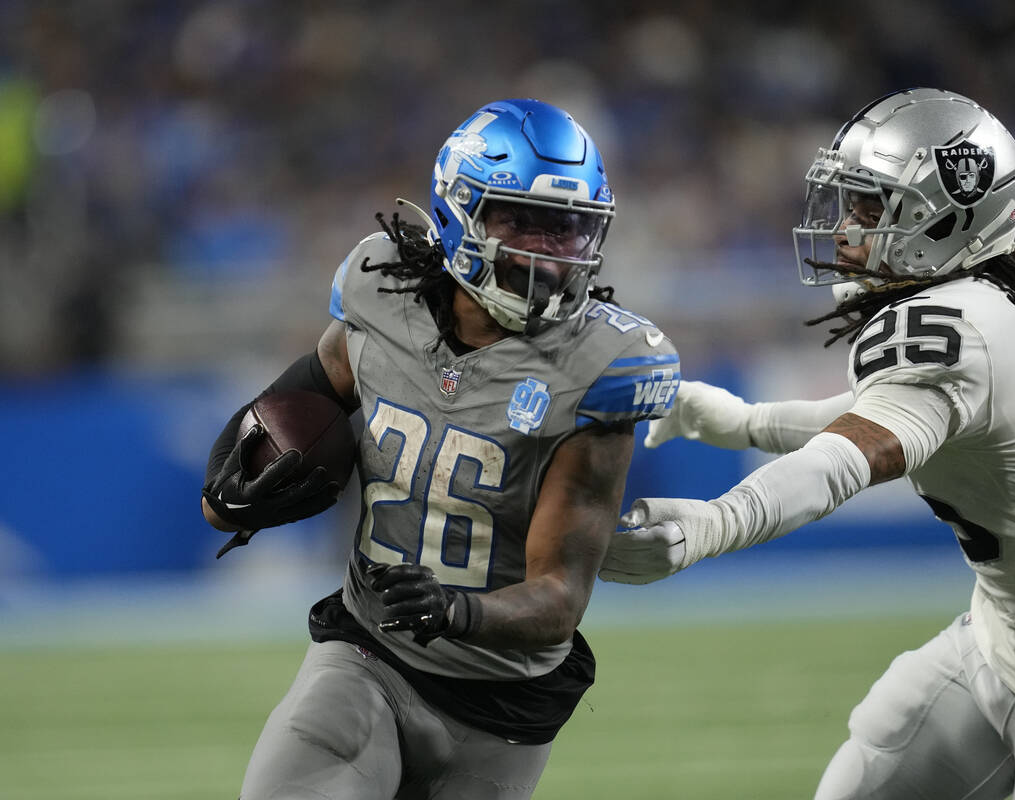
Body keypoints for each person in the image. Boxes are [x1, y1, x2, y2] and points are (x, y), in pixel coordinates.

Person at [599, 88, 1015, 799]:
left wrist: (713, 523)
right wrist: (740, 421)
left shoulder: (951, 331)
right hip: (1004, 642)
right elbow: (880, 419)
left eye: (870, 207)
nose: (847, 229)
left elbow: (846, 460)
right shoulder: (995, 302)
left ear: (944, 220)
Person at [200, 98, 680, 800]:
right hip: (369, 655)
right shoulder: (379, 294)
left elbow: (560, 595)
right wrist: (230, 493)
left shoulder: (600, 369)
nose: (547, 252)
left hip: (503, 707)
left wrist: (458, 611)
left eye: (568, 229)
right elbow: (284, 415)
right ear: (460, 213)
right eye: (524, 222)